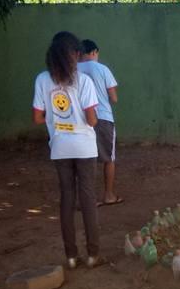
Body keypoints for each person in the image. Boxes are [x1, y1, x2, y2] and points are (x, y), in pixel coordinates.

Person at [32, 31, 102, 269]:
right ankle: (93, 255)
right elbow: (92, 120)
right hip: (84, 146)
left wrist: (57, 120)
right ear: (74, 55)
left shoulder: (42, 80)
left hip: (60, 147)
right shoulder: (83, 81)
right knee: (88, 199)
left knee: (66, 199)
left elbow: (38, 118)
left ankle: (71, 257)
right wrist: (78, 119)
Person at [77, 39, 122, 206]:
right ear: (94, 52)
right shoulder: (102, 69)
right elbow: (114, 98)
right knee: (108, 159)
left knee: (86, 159)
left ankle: (87, 199)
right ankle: (109, 195)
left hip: (80, 120)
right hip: (103, 118)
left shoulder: (73, 70)